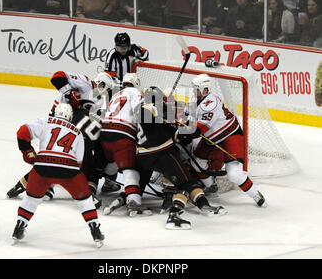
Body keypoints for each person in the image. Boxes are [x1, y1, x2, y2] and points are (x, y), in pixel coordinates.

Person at [6, 71, 118, 201]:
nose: (104, 93)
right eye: (104, 88)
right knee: (64, 152)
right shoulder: (85, 82)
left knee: (63, 151)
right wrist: (69, 92)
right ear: (100, 82)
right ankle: (55, 184)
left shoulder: (100, 101)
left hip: (74, 121)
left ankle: (46, 183)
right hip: (60, 116)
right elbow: (58, 77)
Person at [11, 103, 105, 247]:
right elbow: (79, 162)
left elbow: (22, 132)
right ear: (70, 116)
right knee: (85, 201)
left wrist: (28, 152)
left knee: (31, 199)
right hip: (69, 169)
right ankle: (95, 230)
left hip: (42, 167)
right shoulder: (77, 132)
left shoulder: (45, 120)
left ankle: (19, 227)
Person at [134, 86, 227, 229]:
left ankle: (203, 205)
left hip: (144, 156)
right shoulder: (150, 108)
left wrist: (187, 131)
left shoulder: (141, 108)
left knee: (180, 178)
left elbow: (171, 132)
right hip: (162, 153)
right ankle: (174, 216)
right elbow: (153, 117)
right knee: (186, 183)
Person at [176, 74, 266, 208]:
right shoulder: (195, 100)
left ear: (205, 89)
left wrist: (179, 132)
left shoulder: (211, 104)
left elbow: (196, 131)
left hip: (230, 135)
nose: (194, 91)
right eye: (194, 88)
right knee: (197, 163)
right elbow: (187, 118)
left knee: (233, 174)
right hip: (212, 137)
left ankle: (256, 195)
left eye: (197, 89)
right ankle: (211, 187)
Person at [99, 72, 145, 216]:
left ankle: (108, 183)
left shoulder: (116, 95)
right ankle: (134, 201)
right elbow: (140, 113)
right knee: (130, 168)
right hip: (122, 134)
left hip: (104, 133)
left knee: (112, 159)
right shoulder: (136, 93)